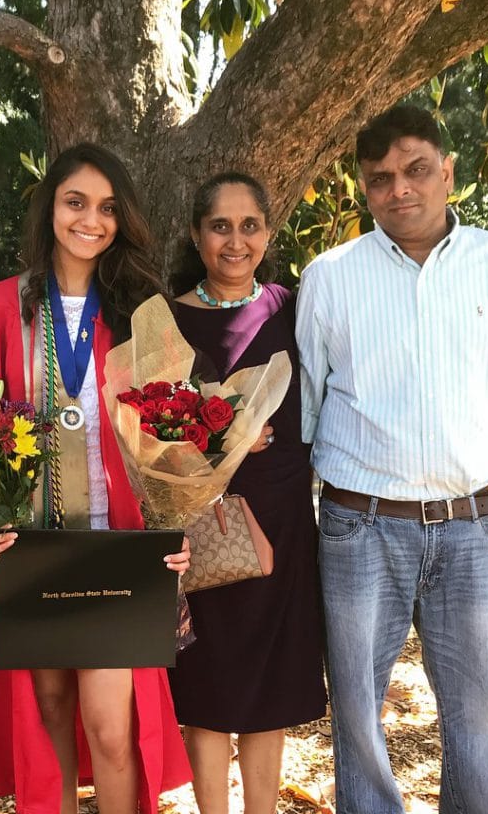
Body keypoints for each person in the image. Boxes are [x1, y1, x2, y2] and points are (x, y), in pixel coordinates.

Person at [295, 105, 488, 814]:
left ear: (448, 171)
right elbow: (304, 401)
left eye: (415, 169)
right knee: (359, 710)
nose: (400, 189)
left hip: (471, 530)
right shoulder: (330, 276)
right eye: (380, 179)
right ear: (364, 191)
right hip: (357, 526)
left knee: (479, 713)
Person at [0, 142, 192, 814]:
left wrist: (178, 524)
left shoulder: (142, 312)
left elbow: (180, 442)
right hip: (30, 548)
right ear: (49, 207)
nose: (91, 220)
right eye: (75, 202)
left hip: (118, 548)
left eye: (108, 208)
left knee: (113, 731)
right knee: (46, 713)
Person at [166, 173, 327, 813]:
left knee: (268, 691)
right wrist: (214, 441)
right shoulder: (167, 320)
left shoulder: (295, 308)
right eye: (220, 226)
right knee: (206, 687)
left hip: (283, 521)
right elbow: (149, 426)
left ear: (268, 231)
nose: (236, 241)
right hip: (201, 524)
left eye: (250, 225)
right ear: (197, 233)